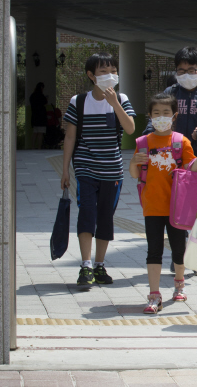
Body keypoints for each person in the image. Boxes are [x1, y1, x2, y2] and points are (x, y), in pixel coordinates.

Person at [143, 47, 197, 276]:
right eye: (181, 70)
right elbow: (156, 119)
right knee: (178, 211)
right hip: (173, 166)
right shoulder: (171, 91)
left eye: (191, 70)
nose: (186, 75)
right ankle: (180, 258)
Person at [129, 93, 197, 314]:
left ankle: (179, 283)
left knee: (178, 249)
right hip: (152, 207)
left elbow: (193, 169)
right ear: (149, 116)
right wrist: (133, 161)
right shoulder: (143, 143)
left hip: (177, 208)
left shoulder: (180, 141)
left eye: (166, 113)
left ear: (174, 116)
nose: (161, 117)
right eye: (156, 113)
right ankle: (154, 294)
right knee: (153, 251)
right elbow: (133, 173)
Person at [60, 52, 136, 286]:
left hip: (112, 170)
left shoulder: (121, 99)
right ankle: (85, 266)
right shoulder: (79, 101)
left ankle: (100, 265)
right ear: (91, 75)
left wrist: (114, 104)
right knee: (87, 213)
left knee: (105, 218)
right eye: (103, 72)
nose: (110, 75)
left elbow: (131, 129)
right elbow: (70, 137)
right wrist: (65, 170)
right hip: (86, 168)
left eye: (113, 71)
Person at [30, 82, 48, 149]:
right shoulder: (41, 96)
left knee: (35, 132)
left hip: (34, 116)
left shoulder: (32, 96)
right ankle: (39, 147)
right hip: (41, 117)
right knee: (40, 133)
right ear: (41, 88)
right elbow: (45, 102)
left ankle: (32, 146)